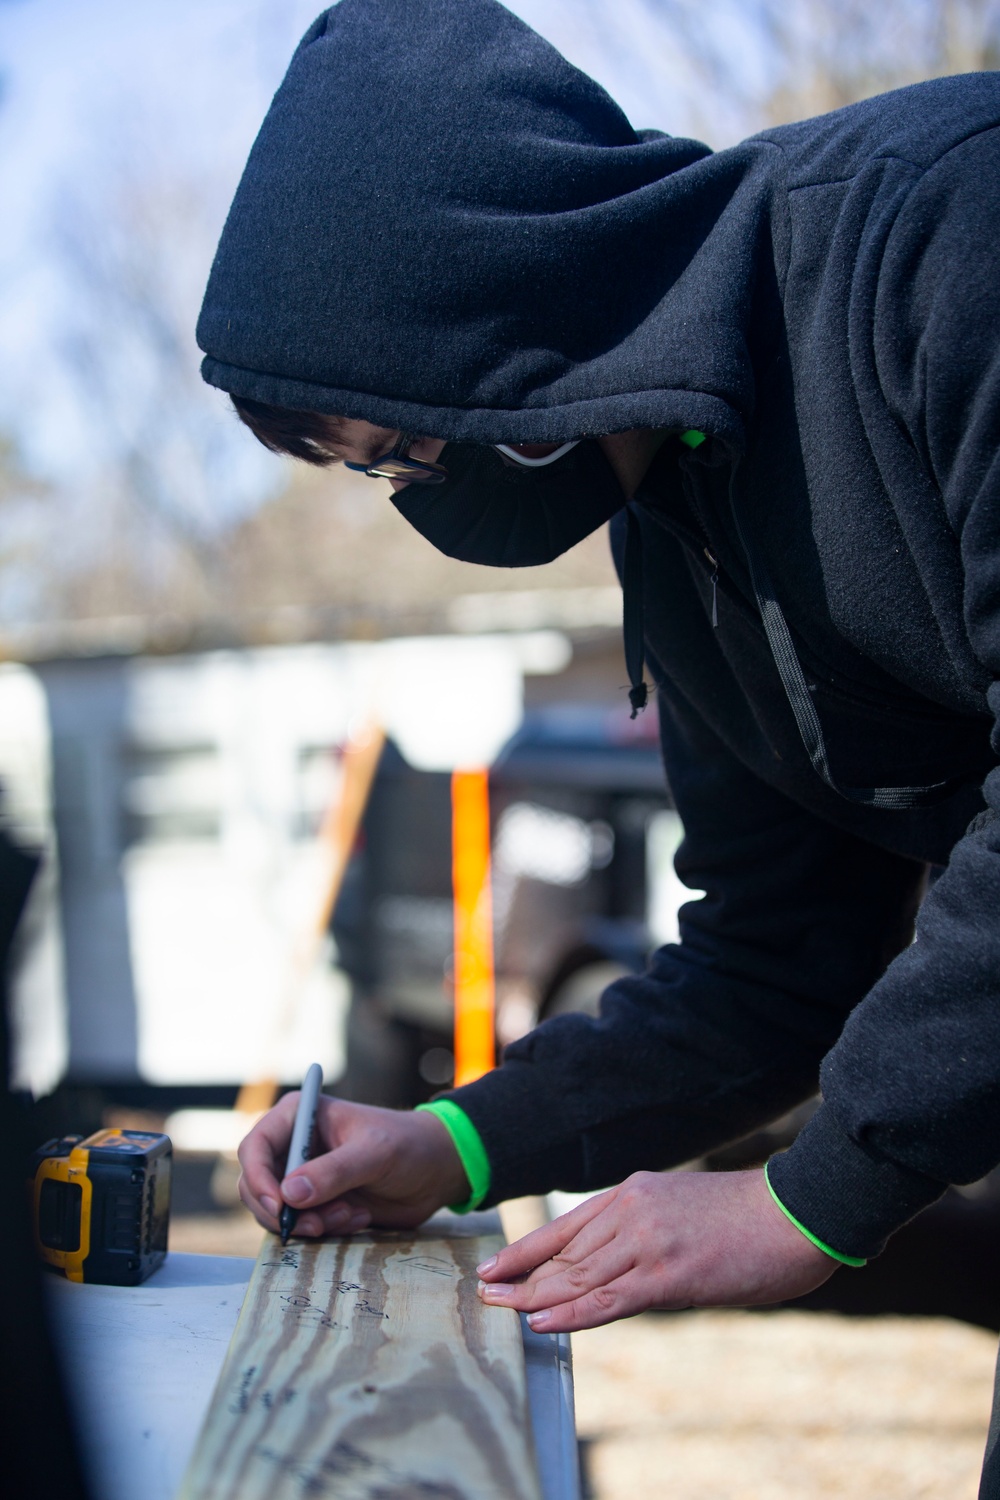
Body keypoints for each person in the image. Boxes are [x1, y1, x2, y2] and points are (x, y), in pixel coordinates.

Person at [196, 0, 1000, 1487]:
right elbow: (773, 961)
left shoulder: (942, 230)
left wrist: (814, 1199)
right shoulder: (672, 524)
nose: (414, 494)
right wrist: (457, 1143)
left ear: (503, 312)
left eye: (401, 447)